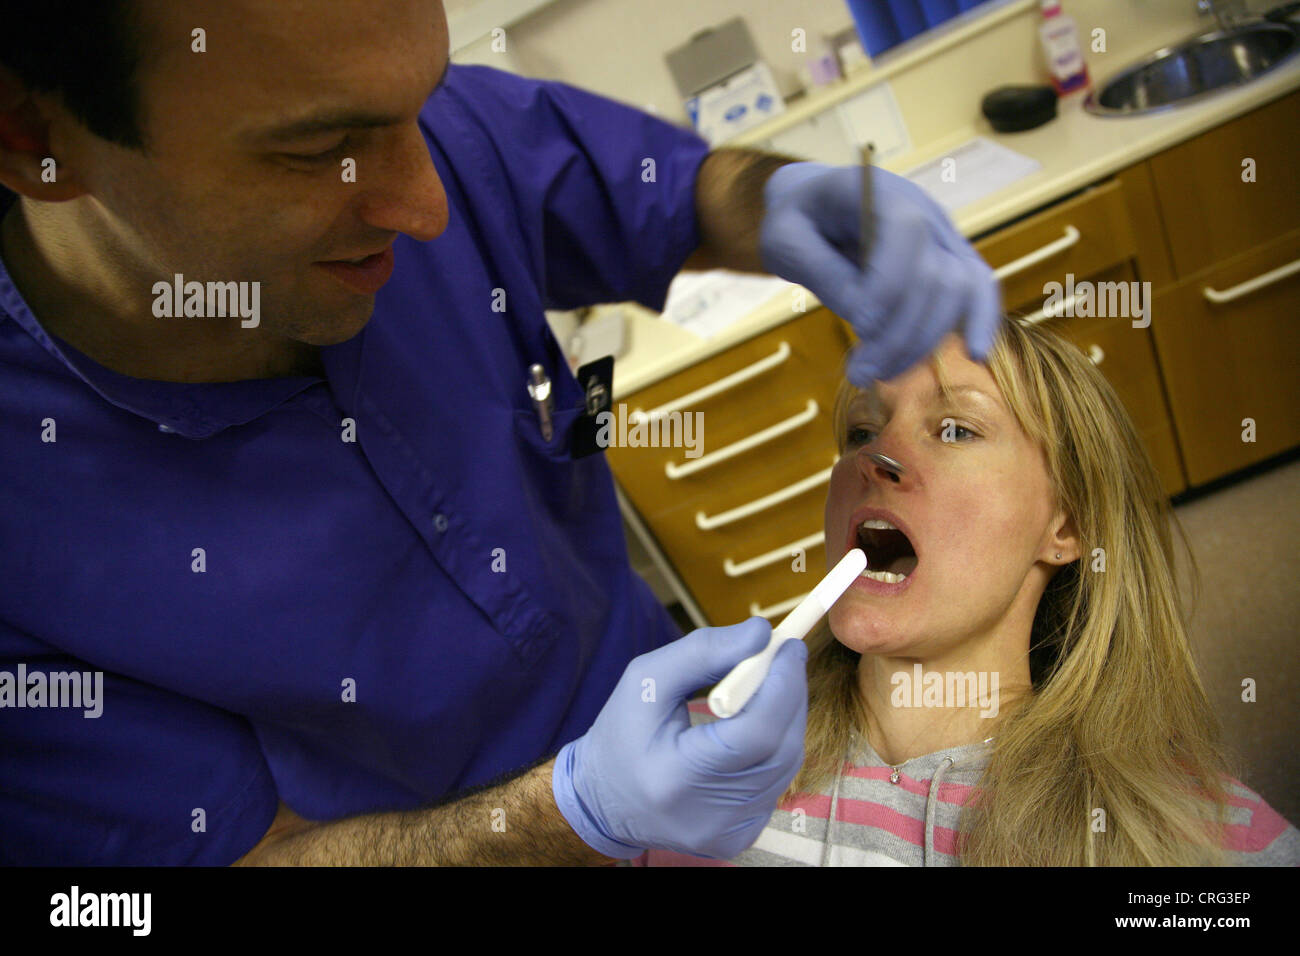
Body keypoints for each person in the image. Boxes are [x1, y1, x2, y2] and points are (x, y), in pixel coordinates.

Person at [0, 0, 999, 865]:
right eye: (317, 152)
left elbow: (684, 193)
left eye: (423, 103)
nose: (433, 204)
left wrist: (778, 200)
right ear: (32, 137)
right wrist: (577, 814)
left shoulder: (438, 132)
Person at [639, 319, 1300, 866]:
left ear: (1065, 525)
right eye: (862, 432)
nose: (877, 458)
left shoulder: (1196, 842)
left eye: (957, 429)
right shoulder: (685, 758)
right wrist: (573, 812)